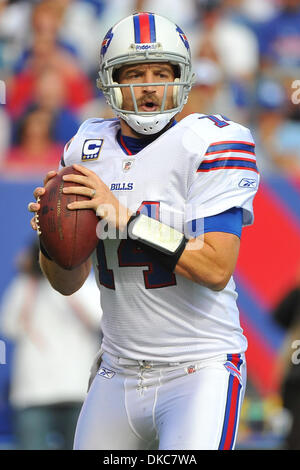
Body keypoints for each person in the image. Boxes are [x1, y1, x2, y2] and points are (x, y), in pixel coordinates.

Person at [28, 12, 259, 450]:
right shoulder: (85, 147)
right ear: (111, 81)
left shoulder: (209, 142)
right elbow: (66, 282)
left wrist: (128, 220)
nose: (149, 85)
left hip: (200, 368)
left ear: (181, 79)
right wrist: (50, 238)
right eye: (135, 73)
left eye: (161, 72)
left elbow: (215, 267)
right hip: (118, 370)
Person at [0, 240, 101, 450]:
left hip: (76, 389)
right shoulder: (23, 286)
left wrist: (66, 281)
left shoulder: (85, 284)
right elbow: (9, 327)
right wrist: (28, 279)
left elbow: (98, 319)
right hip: (33, 394)